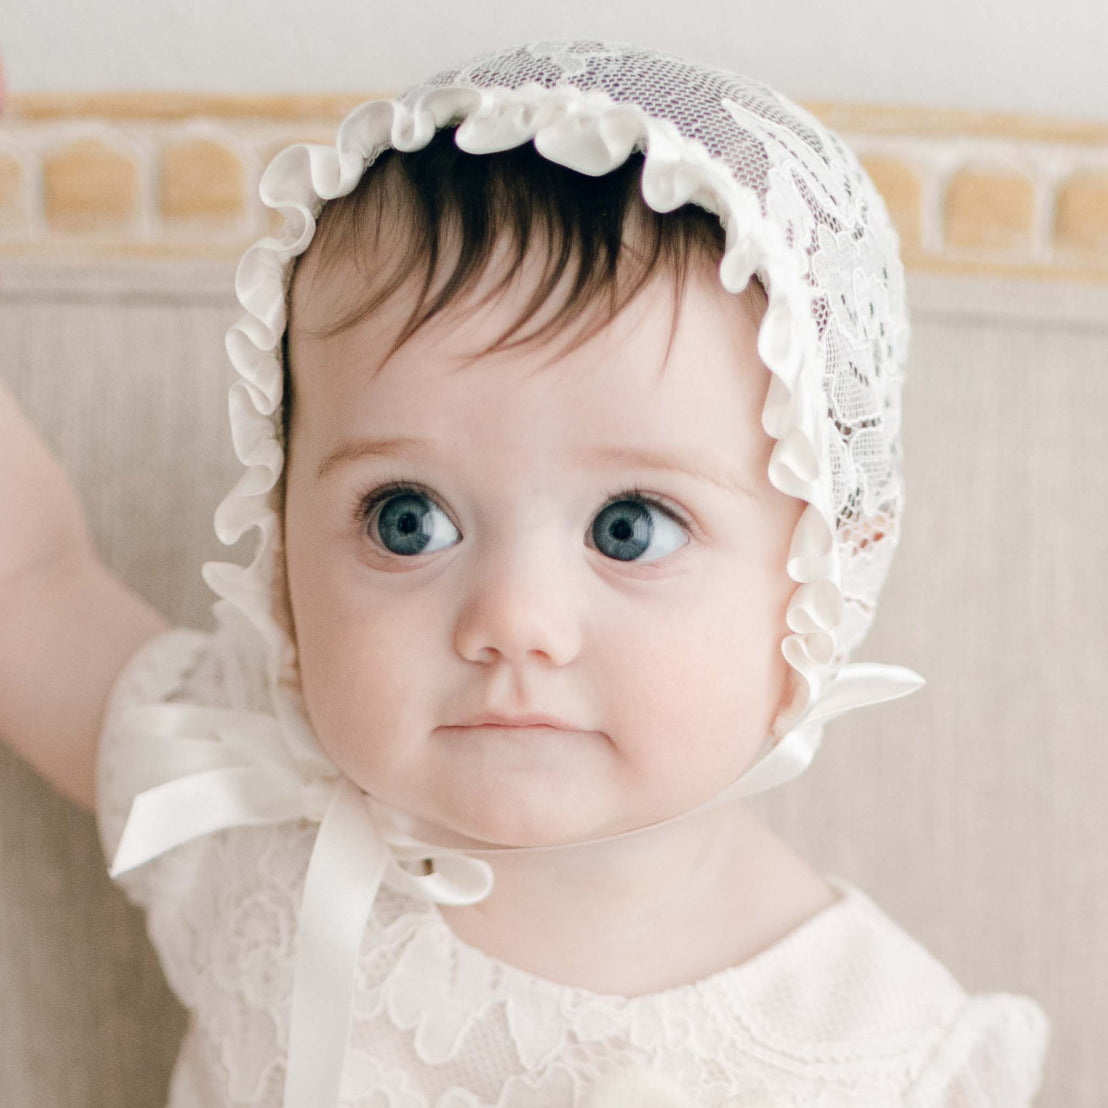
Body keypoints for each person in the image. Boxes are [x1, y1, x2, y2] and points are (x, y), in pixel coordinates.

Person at [0, 39, 1051, 1108]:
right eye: (406, 521)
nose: (512, 619)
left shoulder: (880, 1053)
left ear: (824, 577)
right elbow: (31, 582)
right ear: (282, 543)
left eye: (630, 527)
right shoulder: (241, 799)